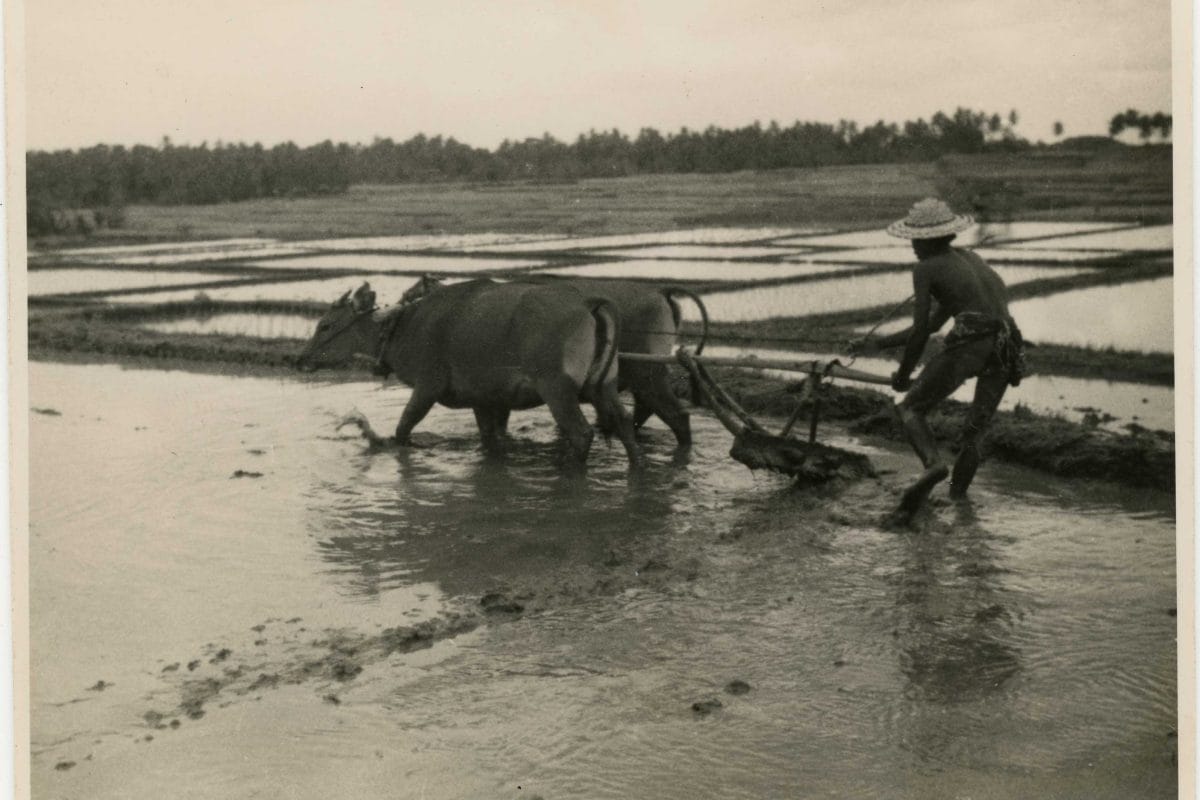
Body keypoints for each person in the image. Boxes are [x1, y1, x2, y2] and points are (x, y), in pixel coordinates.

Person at [850, 198, 1025, 522]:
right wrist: (877, 343)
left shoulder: (926, 267)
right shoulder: (971, 259)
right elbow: (933, 324)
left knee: (909, 409)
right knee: (975, 432)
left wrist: (903, 376)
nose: (913, 247)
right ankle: (959, 507)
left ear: (929, 239)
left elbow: (920, 333)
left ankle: (933, 466)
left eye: (916, 240)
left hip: (973, 342)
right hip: (1007, 344)